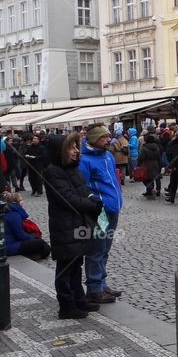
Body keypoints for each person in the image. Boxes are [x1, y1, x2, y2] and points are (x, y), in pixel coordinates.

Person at [44, 132, 103, 319]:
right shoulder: (53, 171)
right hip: (65, 226)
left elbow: (83, 192)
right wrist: (91, 205)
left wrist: (93, 199)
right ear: (61, 151)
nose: (76, 151)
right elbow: (67, 199)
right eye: (72, 147)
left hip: (77, 224)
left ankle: (79, 297)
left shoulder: (71, 169)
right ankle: (66, 305)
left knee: (76, 262)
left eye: (77, 147)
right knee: (66, 266)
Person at [78, 124, 124, 304]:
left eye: (108, 136)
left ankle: (102, 284)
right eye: (104, 137)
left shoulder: (108, 156)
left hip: (113, 209)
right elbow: (83, 187)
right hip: (100, 212)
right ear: (94, 139)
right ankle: (94, 288)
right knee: (96, 249)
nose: (108, 140)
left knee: (105, 249)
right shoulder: (85, 161)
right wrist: (98, 203)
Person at [3, 191, 51, 260]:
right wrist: (32, 238)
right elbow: (20, 235)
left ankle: (34, 254)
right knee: (41, 243)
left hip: (11, 243)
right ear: (15, 202)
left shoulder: (12, 213)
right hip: (10, 246)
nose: (22, 201)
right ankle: (30, 256)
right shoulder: (14, 215)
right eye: (21, 200)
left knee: (44, 246)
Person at [138, 132, 163, 199]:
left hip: (147, 165)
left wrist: (139, 165)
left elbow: (141, 158)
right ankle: (156, 191)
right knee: (155, 178)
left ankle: (151, 190)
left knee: (146, 179)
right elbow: (159, 157)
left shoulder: (144, 148)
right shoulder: (157, 147)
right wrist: (160, 165)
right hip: (156, 164)